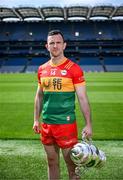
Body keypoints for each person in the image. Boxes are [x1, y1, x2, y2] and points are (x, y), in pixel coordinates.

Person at [33, 30, 92, 180]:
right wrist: (36, 119)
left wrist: (88, 124)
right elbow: (39, 96)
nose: (55, 46)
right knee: (52, 162)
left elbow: (83, 98)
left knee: (72, 166)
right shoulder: (42, 69)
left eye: (58, 42)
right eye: (52, 43)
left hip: (66, 124)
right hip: (47, 124)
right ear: (47, 46)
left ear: (64, 45)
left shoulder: (74, 69)